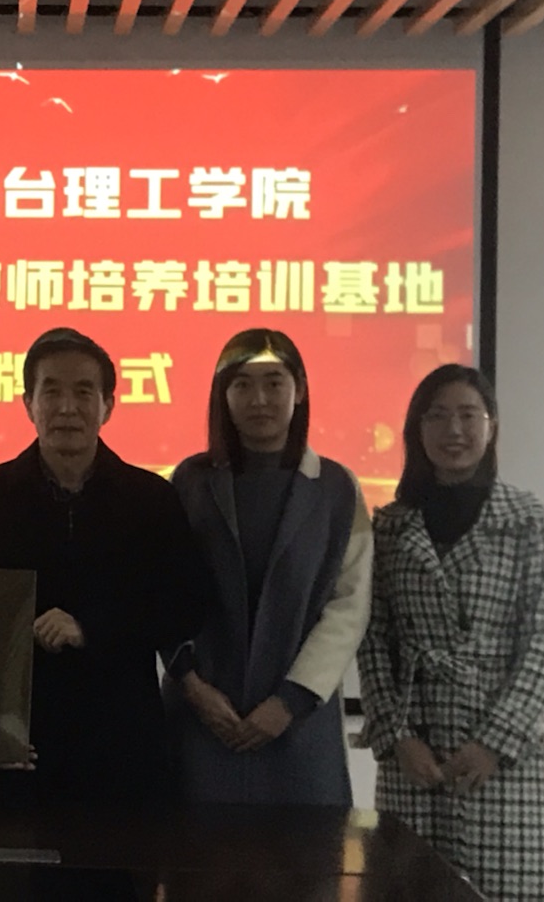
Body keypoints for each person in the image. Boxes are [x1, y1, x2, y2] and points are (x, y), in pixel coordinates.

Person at [0, 327, 209, 803]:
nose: (67, 407)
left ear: (108, 405)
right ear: (28, 404)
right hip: (13, 751)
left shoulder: (151, 499)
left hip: (122, 750)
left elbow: (185, 607)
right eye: (51, 391)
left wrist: (91, 628)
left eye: (84, 392)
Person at [358, 364, 544, 899]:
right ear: (418, 430)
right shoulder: (390, 527)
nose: (454, 430)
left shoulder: (530, 521)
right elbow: (374, 639)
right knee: (410, 890)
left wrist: (493, 743)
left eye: (469, 415)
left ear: (491, 425)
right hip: (415, 757)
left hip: (502, 760)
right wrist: (397, 737)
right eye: (438, 416)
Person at [166, 328, 371, 805]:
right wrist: (192, 686)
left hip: (298, 730)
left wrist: (290, 701)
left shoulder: (336, 488)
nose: (259, 399)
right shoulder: (190, 482)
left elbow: (349, 603)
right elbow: (161, 589)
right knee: (194, 851)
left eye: (274, 383)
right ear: (223, 396)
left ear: (299, 390)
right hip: (202, 719)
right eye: (242, 384)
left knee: (306, 852)